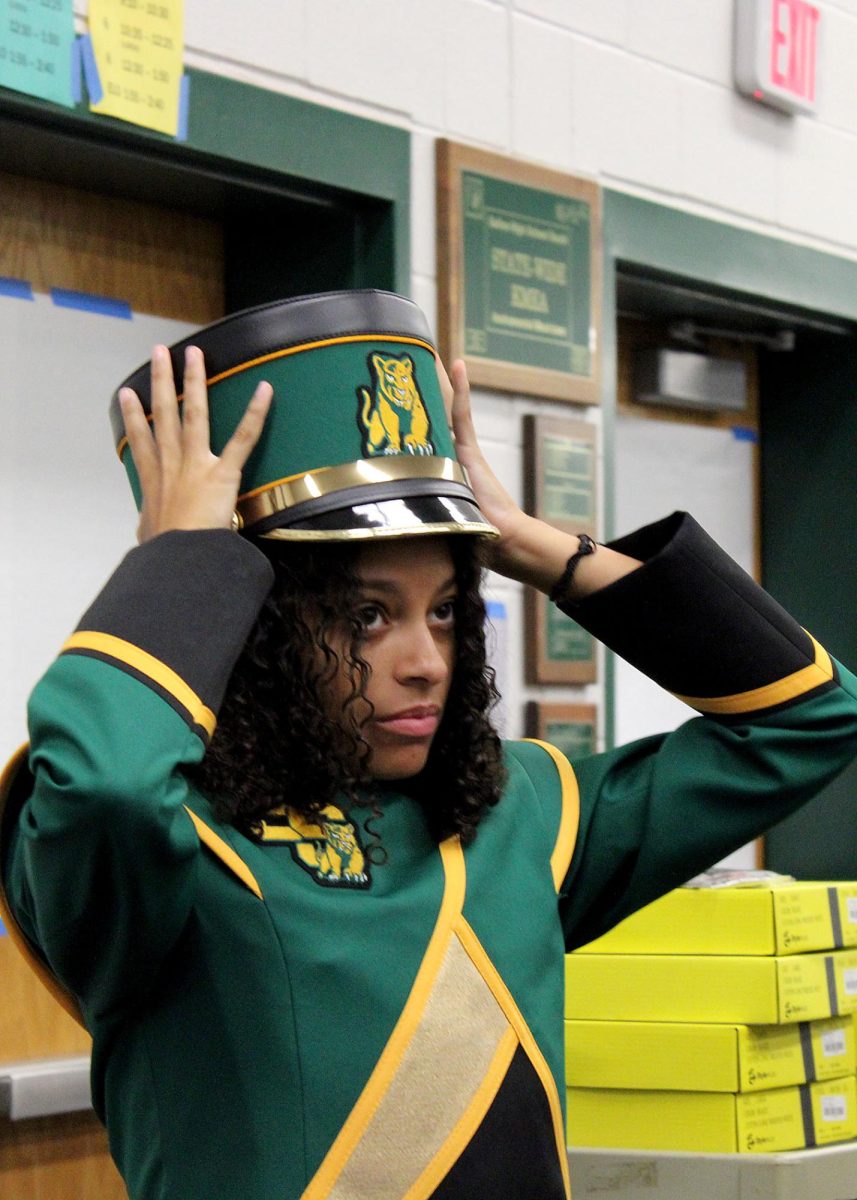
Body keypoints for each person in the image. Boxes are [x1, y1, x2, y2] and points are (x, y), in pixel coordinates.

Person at [1, 290, 856, 1200]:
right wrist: (181, 560)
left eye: (446, 609)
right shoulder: (166, 849)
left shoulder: (515, 808)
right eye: (366, 616)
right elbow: (106, 788)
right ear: (255, 629)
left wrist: (534, 546)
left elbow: (808, 720)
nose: (425, 663)